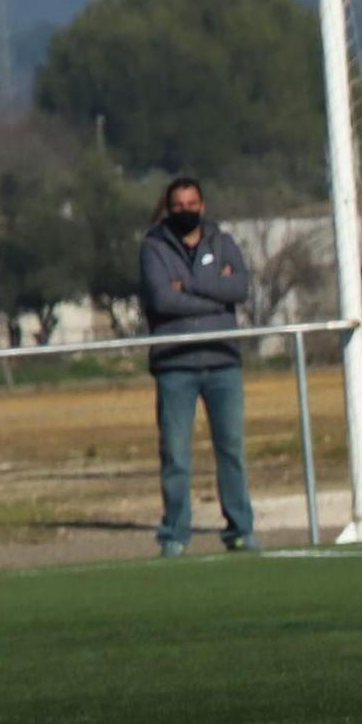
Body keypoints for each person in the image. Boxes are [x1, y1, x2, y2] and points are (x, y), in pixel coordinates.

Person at [138, 176, 256, 556]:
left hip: (223, 361)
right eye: (178, 206)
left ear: (203, 206)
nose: (186, 211)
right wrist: (213, 296)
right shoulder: (153, 247)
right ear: (169, 209)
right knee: (176, 454)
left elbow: (239, 289)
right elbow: (161, 299)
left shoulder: (222, 242)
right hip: (175, 366)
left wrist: (187, 286)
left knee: (232, 449)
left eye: (193, 204)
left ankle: (240, 529)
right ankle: (175, 532)